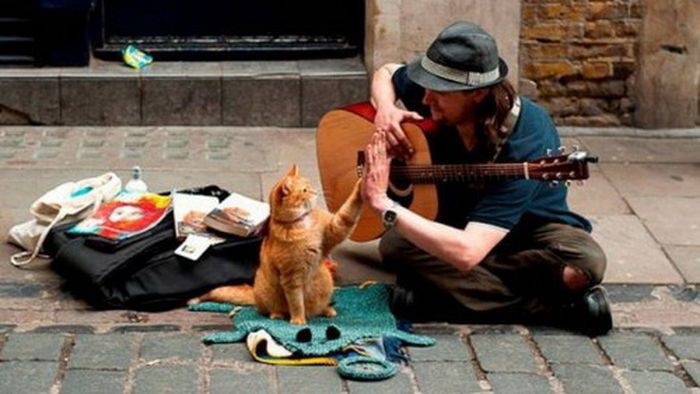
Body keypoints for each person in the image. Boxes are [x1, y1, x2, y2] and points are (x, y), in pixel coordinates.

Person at [360, 21, 612, 336]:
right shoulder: (440, 91)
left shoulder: (526, 141)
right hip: (455, 217)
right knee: (397, 244)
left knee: (585, 263)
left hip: (528, 229)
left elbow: (467, 252)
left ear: (478, 93)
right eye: (426, 87)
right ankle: (554, 309)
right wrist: (384, 109)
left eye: (437, 93)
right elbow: (386, 72)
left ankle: (440, 297)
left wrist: (384, 204)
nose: (425, 100)